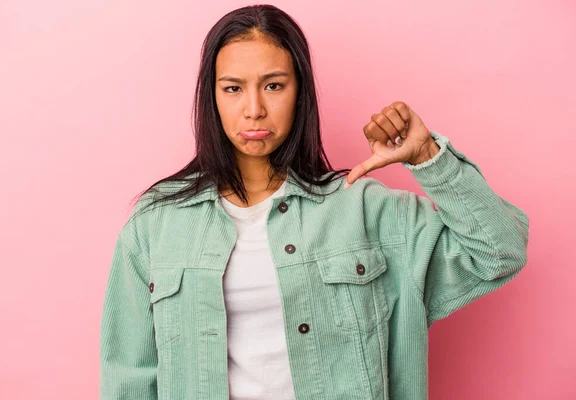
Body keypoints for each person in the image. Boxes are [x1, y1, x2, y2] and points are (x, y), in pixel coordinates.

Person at [99, 4, 529, 400]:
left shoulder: (364, 211)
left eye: (273, 85)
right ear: (211, 97)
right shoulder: (155, 224)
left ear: (300, 92)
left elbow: (500, 251)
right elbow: (130, 380)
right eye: (233, 88)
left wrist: (428, 159)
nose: (254, 109)